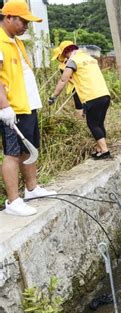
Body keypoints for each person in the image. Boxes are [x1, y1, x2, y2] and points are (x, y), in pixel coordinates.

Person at [0, 1, 56, 216]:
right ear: (8, 17)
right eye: (23, 21)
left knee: (29, 148)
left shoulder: (16, 41)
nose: (26, 26)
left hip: (27, 104)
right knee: (12, 153)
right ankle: (13, 201)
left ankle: (32, 189)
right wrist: (4, 107)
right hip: (12, 108)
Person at [49, 41, 111, 160]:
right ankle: (99, 148)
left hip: (91, 96)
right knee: (99, 123)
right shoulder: (89, 58)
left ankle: (105, 151)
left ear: (66, 51)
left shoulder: (73, 61)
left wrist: (54, 96)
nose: (64, 58)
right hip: (104, 94)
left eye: (64, 55)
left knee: (92, 124)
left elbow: (63, 80)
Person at [51, 47, 83, 118]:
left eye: (58, 57)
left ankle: (81, 118)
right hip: (74, 86)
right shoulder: (62, 65)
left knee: (82, 104)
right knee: (79, 104)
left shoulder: (71, 61)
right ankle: (80, 119)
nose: (57, 59)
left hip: (80, 85)